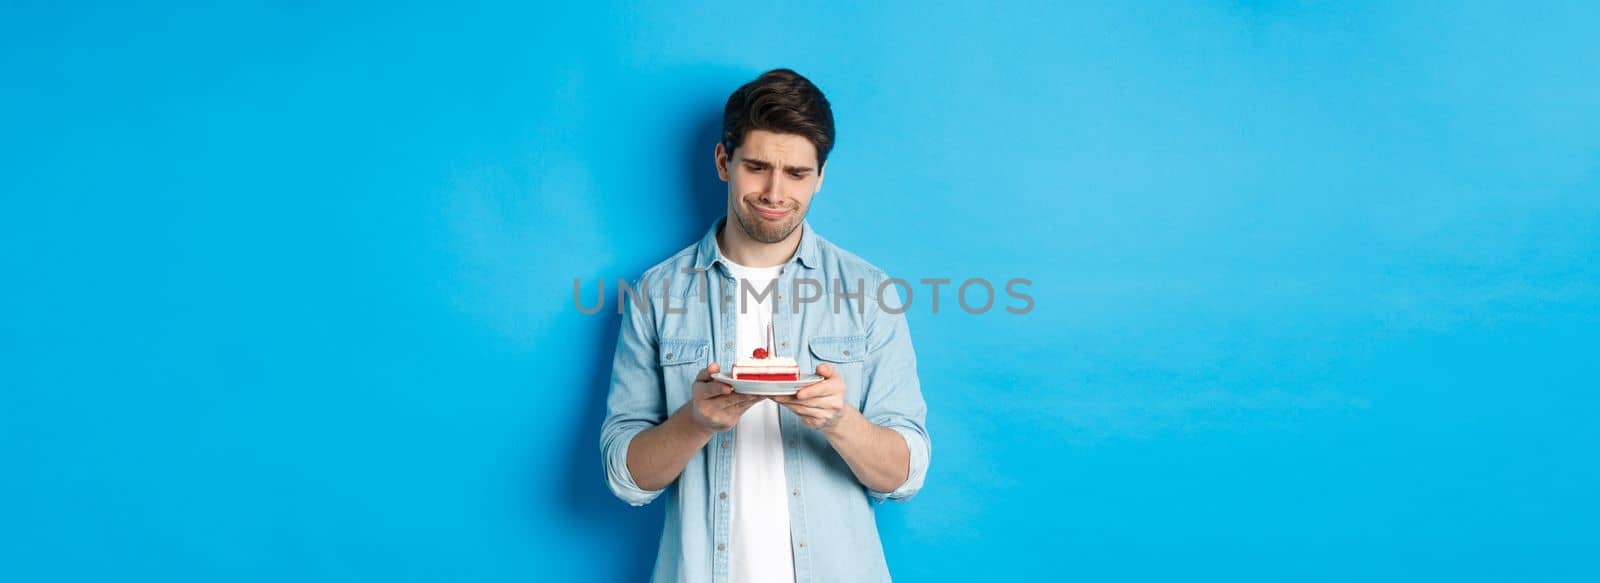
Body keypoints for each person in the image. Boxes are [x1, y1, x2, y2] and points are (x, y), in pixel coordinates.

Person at [601, 68, 930, 583]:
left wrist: (838, 419)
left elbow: (906, 474)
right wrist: (696, 421)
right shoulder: (655, 294)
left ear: (821, 176)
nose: (775, 192)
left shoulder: (869, 292)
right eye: (757, 166)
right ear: (722, 162)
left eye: (797, 173)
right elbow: (626, 476)